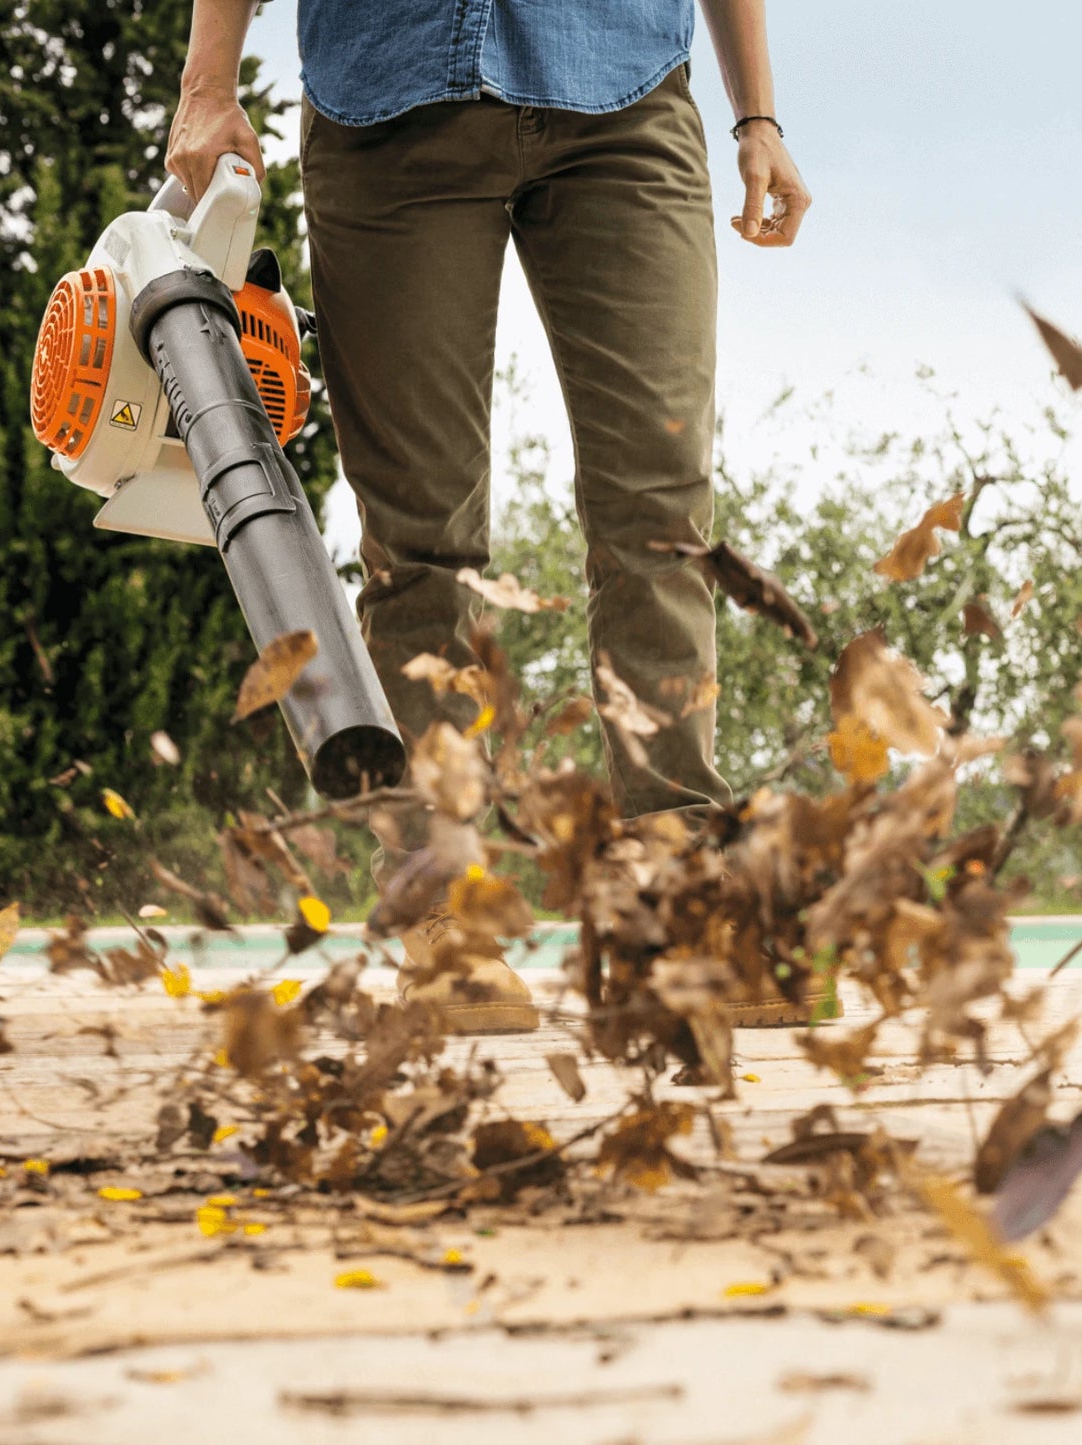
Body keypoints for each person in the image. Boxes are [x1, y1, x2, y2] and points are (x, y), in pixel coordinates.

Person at [168, 1, 813, 1033]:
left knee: (660, 511)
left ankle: (685, 893)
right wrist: (207, 86)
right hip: (387, 99)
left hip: (622, 94)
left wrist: (757, 118)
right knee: (420, 538)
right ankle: (443, 909)